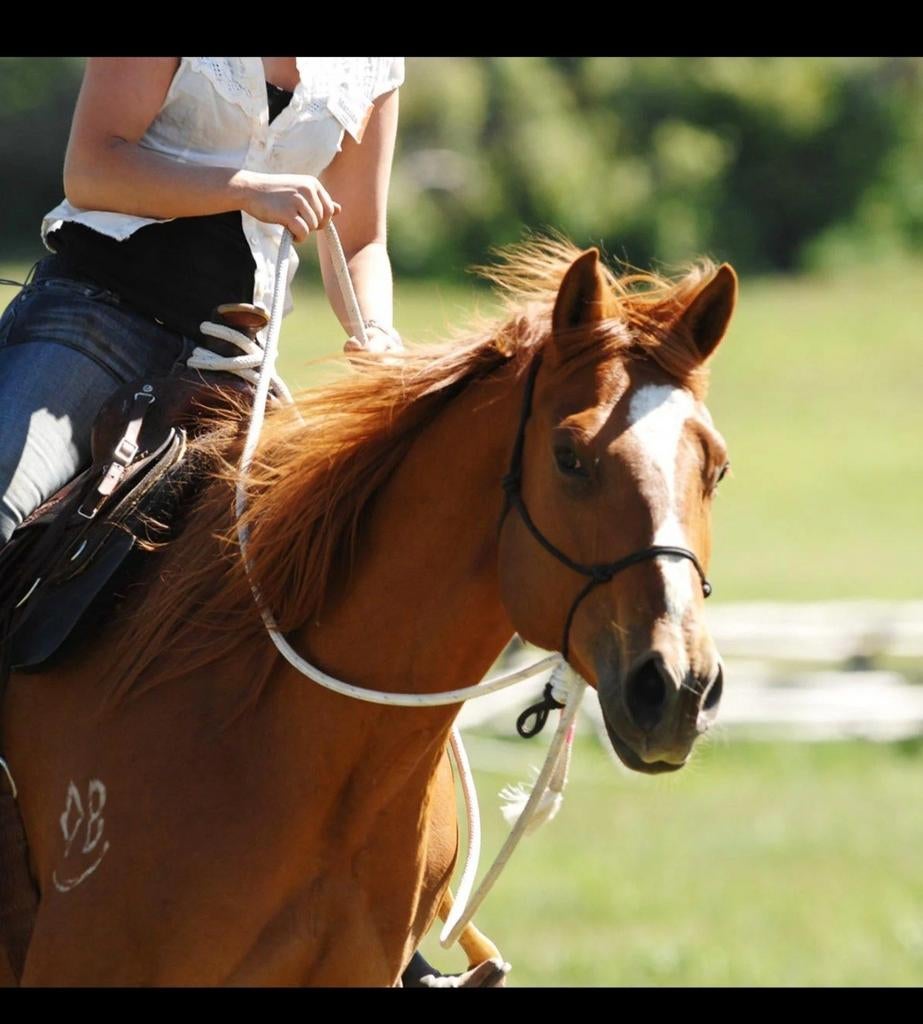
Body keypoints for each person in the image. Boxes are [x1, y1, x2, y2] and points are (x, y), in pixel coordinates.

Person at [0, 56, 404, 548]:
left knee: (329, 557)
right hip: (98, 319)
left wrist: (377, 332)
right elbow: (91, 168)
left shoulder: (374, 65)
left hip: (233, 364)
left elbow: (362, 240)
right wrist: (247, 190)